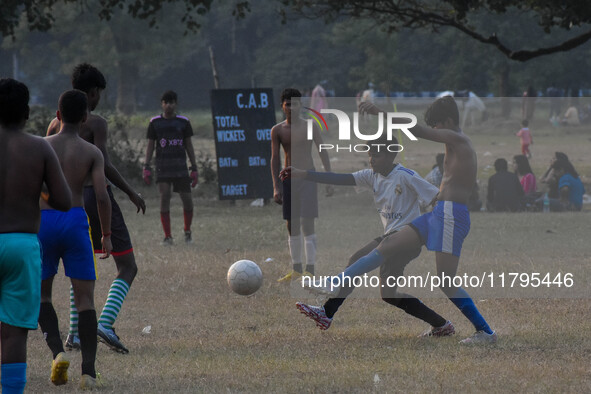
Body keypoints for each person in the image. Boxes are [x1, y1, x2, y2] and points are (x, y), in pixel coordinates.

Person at [306, 96, 497, 344]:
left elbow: (415, 129)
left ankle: (485, 332)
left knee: (446, 282)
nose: (435, 131)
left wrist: (376, 111)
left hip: (452, 215)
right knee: (386, 245)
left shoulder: (457, 139)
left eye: (437, 125)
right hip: (438, 214)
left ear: (448, 121)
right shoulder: (453, 140)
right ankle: (337, 281)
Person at [282, 137, 455, 336]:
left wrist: (435, 226)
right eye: (370, 155)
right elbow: (341, 179)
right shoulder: (371, 176)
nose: (372, 160)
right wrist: (304, 174)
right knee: (389, 296)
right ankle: (441, 325)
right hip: (390, 237)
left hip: (406, 240)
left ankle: (327, 310)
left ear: (391, 156)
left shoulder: (407, 176)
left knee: (357, 259)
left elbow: (436, 197)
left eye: (377, 155)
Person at [47, 63, 146, 354]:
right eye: (99, 92)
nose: (99, 98)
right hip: (94, 198)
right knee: (127, 266)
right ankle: (105, 322)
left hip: (63, 206)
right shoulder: (97, 123)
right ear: (92, 93)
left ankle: (75, 334)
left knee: (78, 267)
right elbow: (104, 164)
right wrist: (130, 192)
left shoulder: (54, 125)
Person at [0, 78, 71, 394]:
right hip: (21, 244)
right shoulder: (39, 147)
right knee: (14, 333)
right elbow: (64, 201)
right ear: (27, 113)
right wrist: (37, 189)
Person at [38, 90, 111, 389]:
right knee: (85, 301)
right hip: (76, 219)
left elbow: (30, 185)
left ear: (57, 115)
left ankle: (57, 354)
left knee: (42, 296)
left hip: (44, 222)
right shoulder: (92, 153)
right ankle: (88, 373)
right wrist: (105, 234)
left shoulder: (41, 146)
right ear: (84, 118)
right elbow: (103, 197)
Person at [271, 88, 332, 281]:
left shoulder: (311, 126)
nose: (291, 107)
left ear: (301, 105)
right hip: (288, 180)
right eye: (287, 103)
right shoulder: (278, 130)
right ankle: (296, 268)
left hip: (308, 178)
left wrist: (329, 177)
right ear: (282, 106)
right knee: (291, 223)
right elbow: (274, 159)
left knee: (307, 221)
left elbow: (322, 151)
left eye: (295, 103)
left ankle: (310, 269)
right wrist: (276, 186)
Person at [143, 90, 198, 245]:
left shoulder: (183, 122)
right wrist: (146, 166)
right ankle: (168, 236)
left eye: (172, 102)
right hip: (163, 167)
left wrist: (194, 168)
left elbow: (189, 145)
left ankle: (187, 232)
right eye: (166, 102)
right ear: (162, 104)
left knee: (187, 200)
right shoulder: (155, 123)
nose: (169, 105)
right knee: (165, 196)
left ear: (176, 104)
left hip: (180, 167)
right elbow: (150, 146)